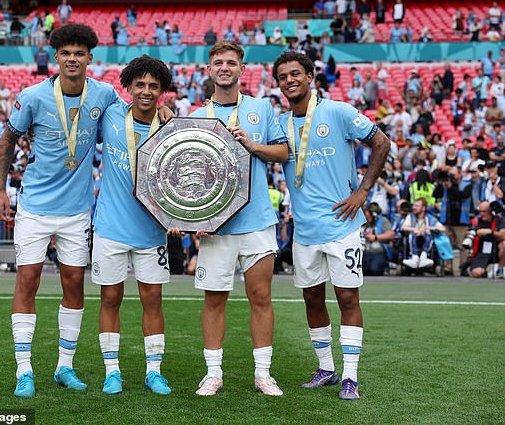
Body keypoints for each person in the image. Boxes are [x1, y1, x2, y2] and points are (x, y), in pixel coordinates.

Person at [0, 23, 171, 399]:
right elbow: (8, 138)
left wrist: (165, 109)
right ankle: (24, 369)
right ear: (56, 58)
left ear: (91, 58)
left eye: (80, 53)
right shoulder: (33, 96)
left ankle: (64, 366)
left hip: (78, 212)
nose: (72, 59)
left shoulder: (104, 95)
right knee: (27, 280)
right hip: (35, 207)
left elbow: (139, 111)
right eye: (66, 53)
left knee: (74, 284)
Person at [273, 51, 390, 400]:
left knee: (347, 297)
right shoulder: (279, 123)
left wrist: (363, 192)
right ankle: (326, 368)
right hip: (305, 230)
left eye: (296, 73)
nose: (290, 80)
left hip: (343, 225)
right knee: (312, 298)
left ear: (310, 76)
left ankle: (350, 376)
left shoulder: (337, 111)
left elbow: (382, 142)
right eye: (283, 76)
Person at [189, 42, 289, 397]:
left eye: (231, 62)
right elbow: (191, 173)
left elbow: (283, 151)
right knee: (214, 298)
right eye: (218, 62)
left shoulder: (261, 107)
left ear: (242, 69)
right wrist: (193, 215)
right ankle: (213, 373)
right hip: (216, 225)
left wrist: (253, 146)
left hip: (257, 220)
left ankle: (263, 373)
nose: (225, 67)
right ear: (210, 69)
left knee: (261, 296)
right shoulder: (198, 114)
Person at [92, 55, 174, 395]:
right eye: (140, 84)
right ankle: (112, 371)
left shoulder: (171, 127)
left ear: (162, 91)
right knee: (110, 298)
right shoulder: (111, 115)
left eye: (154, 86)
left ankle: (153, 371)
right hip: (110, 227)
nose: (146, 91)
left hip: (152, 230)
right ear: (128, 86)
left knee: (152, 300)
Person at [462, 201, 505, 278]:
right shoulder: (476, 221)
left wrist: (490, 232)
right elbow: (467, 235)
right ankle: (483, 272)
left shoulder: (499, 220)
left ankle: (500, 269)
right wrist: (471, 234)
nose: (482, 214)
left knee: (504, 244)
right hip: (481, 251)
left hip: (496, 250)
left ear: (491, 211)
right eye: (480, 211)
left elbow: (503, 235)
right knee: (476, 273)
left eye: (484, 211)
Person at [401, 197, 446, 269]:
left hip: (426, 239)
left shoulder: (429, 217)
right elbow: (403, 227)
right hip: (414, 238)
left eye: (417, 206)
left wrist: (427, 228)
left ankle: (423, 257)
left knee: (429, 235)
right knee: (412, 234)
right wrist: (414, 229)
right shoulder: (410, 216)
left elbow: (442, 228)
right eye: (414, 205)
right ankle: (414, 258)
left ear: (423, 208)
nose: (414, 208)